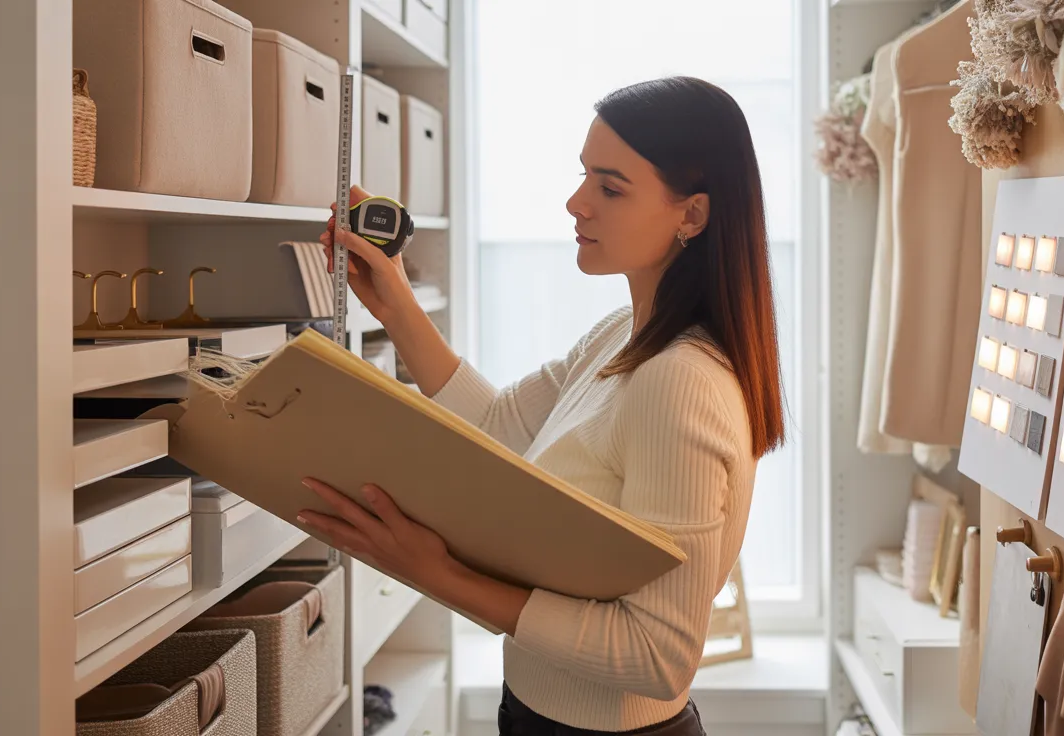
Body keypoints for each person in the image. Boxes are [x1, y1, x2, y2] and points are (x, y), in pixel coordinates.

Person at [300, 76, 785, 735]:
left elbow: (661, 656)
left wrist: (436, 573)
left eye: (610, 188)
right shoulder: (623, 333)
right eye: (584, 175)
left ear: (691, 215)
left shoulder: (681, 382)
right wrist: (393, 300)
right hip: (533, 712)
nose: (575, 203)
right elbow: (501, 426)